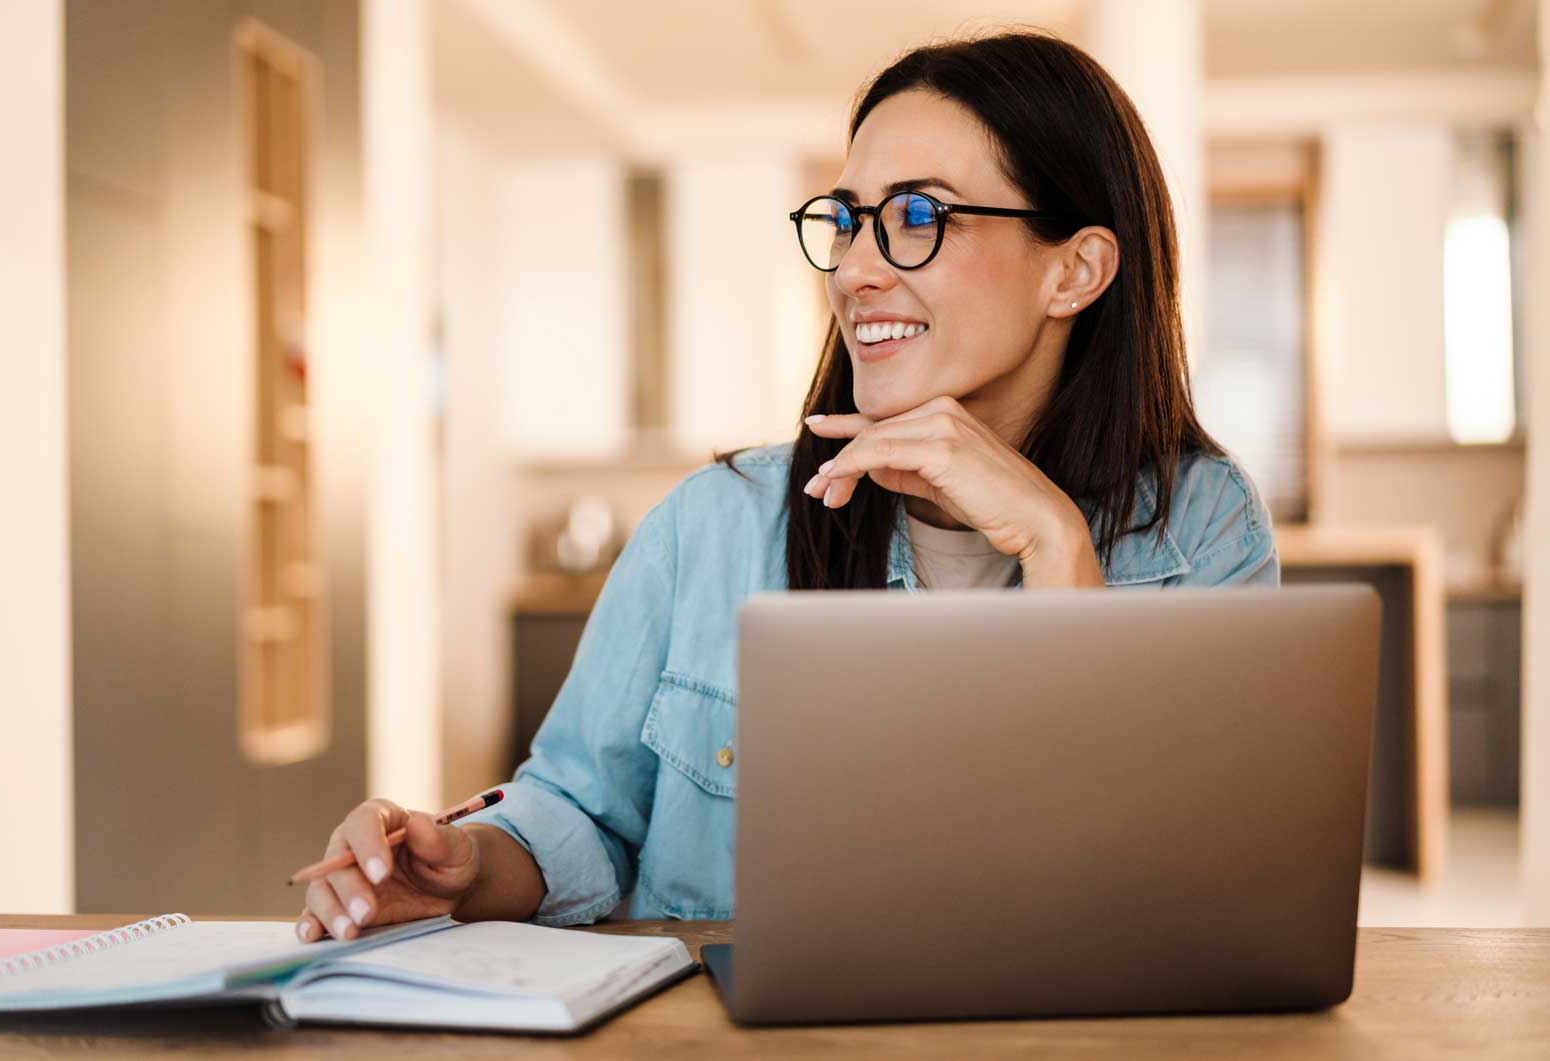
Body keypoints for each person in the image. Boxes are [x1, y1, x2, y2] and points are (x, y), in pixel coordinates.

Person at [296, 29, 1278, 943]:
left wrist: (1055, 545)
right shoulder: (713, 523)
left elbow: (1199, 892)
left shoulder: (1203, 526)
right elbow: (579, 815)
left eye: (918, 217)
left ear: (1075, 271)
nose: (854, 269)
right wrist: (464, 865)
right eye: (849, 219)